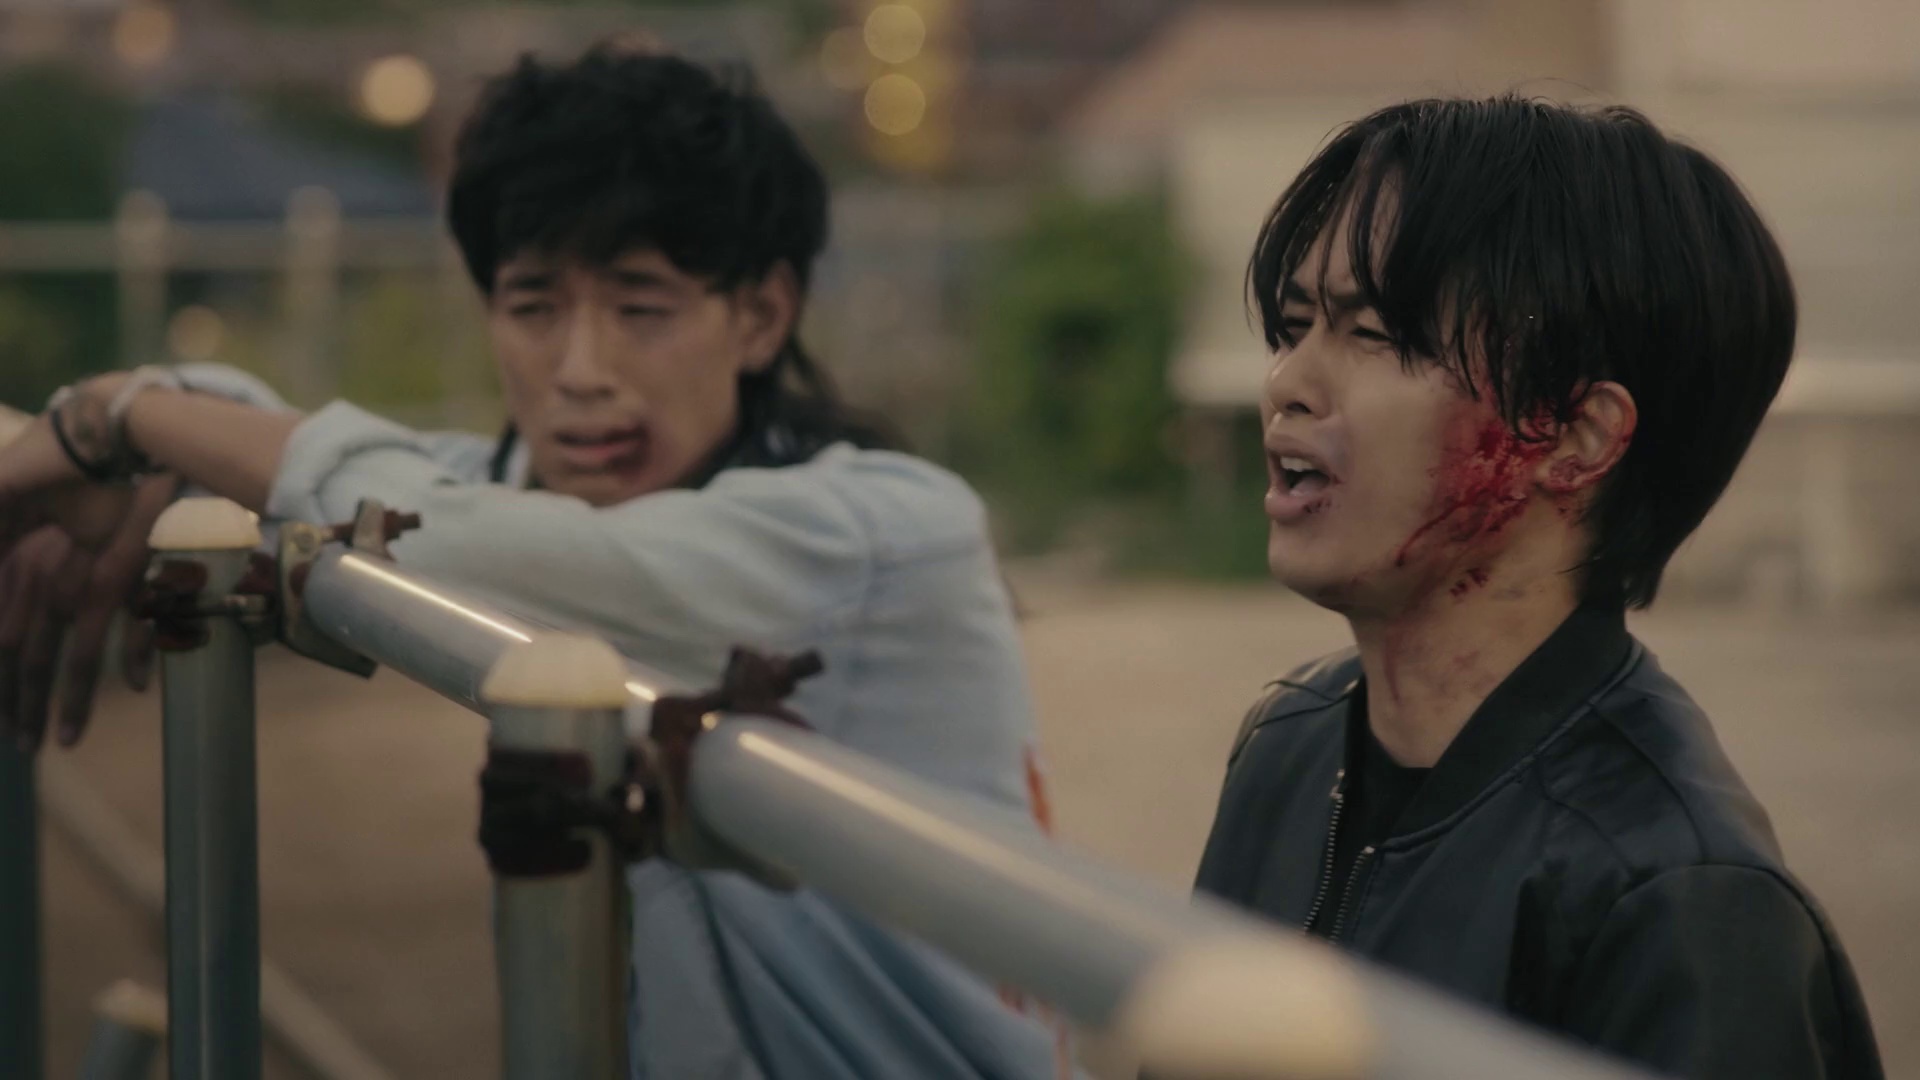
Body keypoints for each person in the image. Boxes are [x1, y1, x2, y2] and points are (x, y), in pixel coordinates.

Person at [0, 47, 1072, 1079]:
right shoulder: (559, 496)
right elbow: (410, 476)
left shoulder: (886, 528)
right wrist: (157, 442)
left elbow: (450, 527)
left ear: (761, 315)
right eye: (532, 306)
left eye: (641, 308)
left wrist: (124, 420)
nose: (581, 369)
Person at [1193, 96, 1883, 1079]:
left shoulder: (1677, 894)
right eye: (1295, 325)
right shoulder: (1287, 747)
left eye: (1374, 333)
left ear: (1577, 437)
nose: (1288, 385)